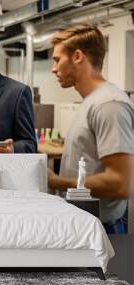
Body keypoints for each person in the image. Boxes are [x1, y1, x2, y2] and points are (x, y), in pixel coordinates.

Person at [48, 24, 134, 233]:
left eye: (58, 60)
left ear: (77, 56)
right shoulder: (92, 101)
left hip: (101, 229)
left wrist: (58, 182)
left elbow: (120, 183)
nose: (53, 68)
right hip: (84, 224)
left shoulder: (108, 105)